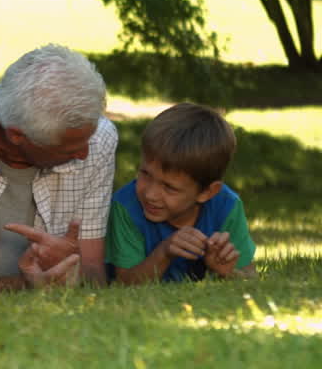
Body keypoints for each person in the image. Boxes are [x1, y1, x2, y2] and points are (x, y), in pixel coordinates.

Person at [0, 44, 117, 292]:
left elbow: (94, 278)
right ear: (17, 136)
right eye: (69, 150)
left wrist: (73, 269)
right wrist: (28, 286)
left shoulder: (98, 137)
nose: (84, 154)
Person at [108, 103, 256, 283]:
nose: (150, 194)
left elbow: (250, 278)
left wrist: (225, 272)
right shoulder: (126, 205)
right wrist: (164, 252)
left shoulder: (227, 206)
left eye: (169, 187)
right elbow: (125, 283)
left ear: (207, 192)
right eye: (145, 174)